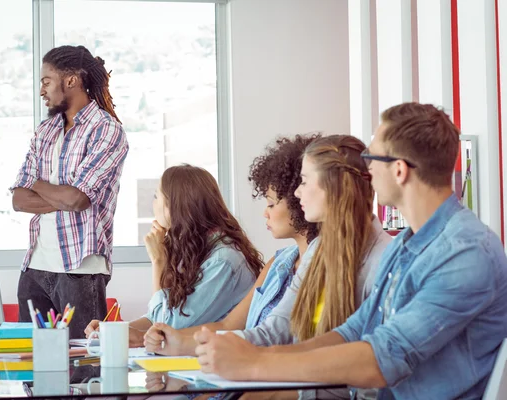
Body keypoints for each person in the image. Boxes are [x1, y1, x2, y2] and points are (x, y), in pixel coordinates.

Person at [194, 103, 507, 400]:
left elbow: (383, 357)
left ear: (399, 170)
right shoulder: (407, 244)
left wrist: (254, 365)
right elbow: (353, 330)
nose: (366, 168)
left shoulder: (465, 253)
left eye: (373, 157)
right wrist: (260, 356)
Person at [143, 134, 320, 357]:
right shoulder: (279, 262)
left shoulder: (225, 259)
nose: (265, 212)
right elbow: (228, 326)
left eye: (271, 204)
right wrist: (158, 336)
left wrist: (158, 261)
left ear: (299, 203)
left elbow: (268, 336)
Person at [10, 45, 128, 339]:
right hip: (35, 268)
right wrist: (59, 194)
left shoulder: (106, 130)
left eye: (46, 81)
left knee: (83, 368)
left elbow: (78, 199)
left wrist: (36, 183)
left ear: (71, 80)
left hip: (80, 266)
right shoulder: (45, 131)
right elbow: (18, 200)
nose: (41, 90)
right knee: (32, 369)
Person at [85, 164, 263, 346]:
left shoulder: (224, 260)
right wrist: (112, 330)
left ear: (174, 207)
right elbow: (159, 315)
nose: (152, 204)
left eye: (156, 196)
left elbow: (167, 326)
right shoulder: (195, 248)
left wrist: (158, 262)